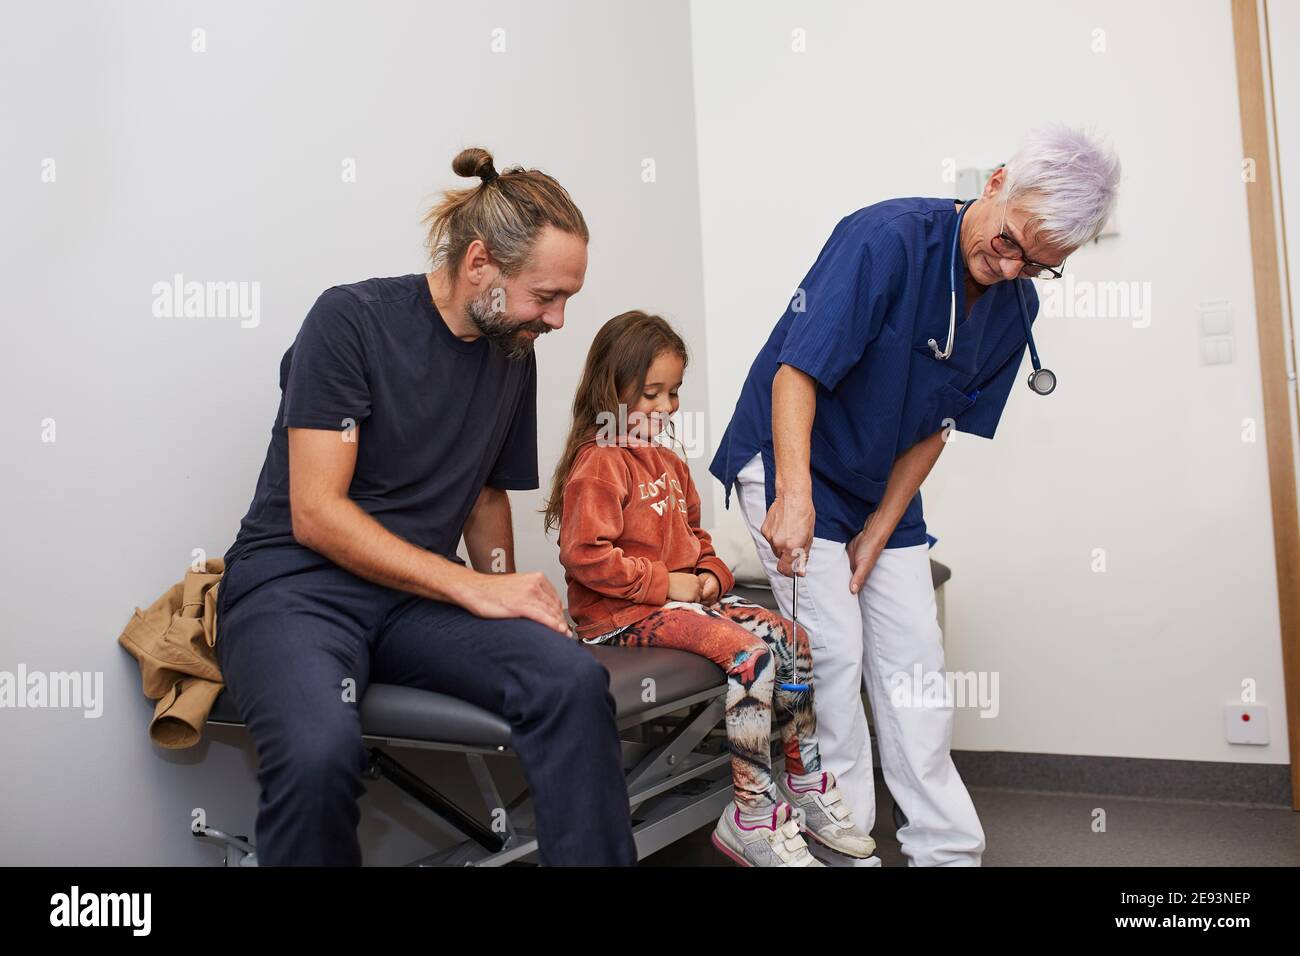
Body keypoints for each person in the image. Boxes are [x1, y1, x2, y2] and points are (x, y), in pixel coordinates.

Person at [709, 126, 1121, 866]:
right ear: (996, 181)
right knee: (832, 655)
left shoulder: (1015, 307)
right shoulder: (885, 240)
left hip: (880, 482)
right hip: (792, 455)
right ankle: (846, 843)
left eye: (1038, 265)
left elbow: (939, 426)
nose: (1011, 267)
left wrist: (881, 529)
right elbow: (794, 374)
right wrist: (794, 496)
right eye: (1010, 242)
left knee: (915, 664)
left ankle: (945, 848)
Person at [216, 147, 638, 866]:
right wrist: (473, 586)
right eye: (547, 295)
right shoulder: (350, 320)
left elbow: (482, 492)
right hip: (295, 589)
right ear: (480, 264)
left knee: (568, 681)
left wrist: (510, 591)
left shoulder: (513, 352)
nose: (560, 319)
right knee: (319, 752)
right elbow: (316, 513)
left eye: (567, 297)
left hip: (410, 600)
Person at [547, 311, 876, 867]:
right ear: (612, 387)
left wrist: (709, 577)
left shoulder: (670, 464)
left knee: (793, 640)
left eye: (672, 393)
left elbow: (697, 540)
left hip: (679, 601)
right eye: (651, 392)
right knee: (749, 657)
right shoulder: (600, 464)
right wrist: (666, 582)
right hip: (620, 617)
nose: (666, 406)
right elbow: (584, 557)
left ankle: (804, 778)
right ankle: (750, 810)